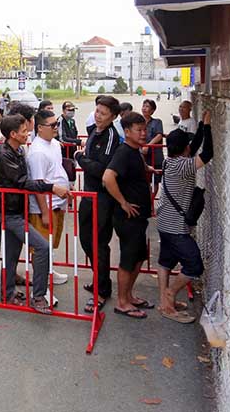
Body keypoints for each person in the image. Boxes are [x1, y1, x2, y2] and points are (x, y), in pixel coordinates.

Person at [0, 114, 70, 314]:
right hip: (9, 214)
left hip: (17, 210)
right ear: (13, 134)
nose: (28, 134)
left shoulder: (18, 151)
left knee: (11, 255)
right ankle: (39, 296)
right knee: (42, 247)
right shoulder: (4, 155)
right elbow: (23, 181)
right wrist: (52, 187)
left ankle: (8, 293)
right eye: (24, 131)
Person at [158, 110, 213, 323]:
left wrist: (201, 126)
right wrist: (207, 129)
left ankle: (165, 302)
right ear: (185, 149)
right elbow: (207, 153)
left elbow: (195, 146)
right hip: (176, 228)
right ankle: (170, 294)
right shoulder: (183, 166)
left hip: (165, 222)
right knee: (194, 265)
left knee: (166, 261)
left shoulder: (169, 162)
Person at [103, 112, 155, 319]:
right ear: (126, 132)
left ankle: (129, 295)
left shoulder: (135, 152)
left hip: (139, 217)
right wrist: (123, 202)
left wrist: (146, 169)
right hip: (127, 218)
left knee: (138, 258)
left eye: (145, 130)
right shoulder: (123, 152)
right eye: (139, 130)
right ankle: (122, 302)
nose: (143, 134)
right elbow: (108, 178)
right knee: (128, 259)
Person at [74, 95, 121, 310]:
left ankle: (102, 291)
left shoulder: (111, 136)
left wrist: (80, 158)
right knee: (86, 240)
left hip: (102, 198)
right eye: (97, 111)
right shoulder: (94, 131)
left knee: (98, 243)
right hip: (88, 195)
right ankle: (100, 279)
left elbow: (103, 170)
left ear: (113, 116)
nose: (98, 116)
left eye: (103, 113)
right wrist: (84, 158)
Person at [26, 109, 71, 286]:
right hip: (44, 206)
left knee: (51, 242)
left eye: (57, 123)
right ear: (40, 128)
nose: (56, 128)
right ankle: (40, 287)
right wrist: (44, 212)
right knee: (41, 247)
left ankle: (49, 272)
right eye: (52, 125)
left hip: (58, 202)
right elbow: (38, 185)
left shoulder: (53, 144)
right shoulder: (37, 152)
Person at [141, 98, 165, 186]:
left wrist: (148, 145)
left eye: (147, 106)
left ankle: (152, 197)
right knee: (144, 179)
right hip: (142, 155)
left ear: (152, 111)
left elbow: (159, 135)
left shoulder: (157, 122)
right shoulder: (138, 122)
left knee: (155, 181)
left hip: (155, 155)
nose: (144, 108)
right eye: (143, 106)